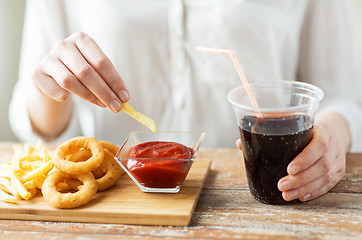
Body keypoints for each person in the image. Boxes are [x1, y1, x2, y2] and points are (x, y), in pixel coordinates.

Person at [9, 0, 362, 203]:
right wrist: (51, 87)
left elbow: (345, 98)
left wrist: (334, 134)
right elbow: (37, 123)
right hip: (116, 201)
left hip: (253, 198)